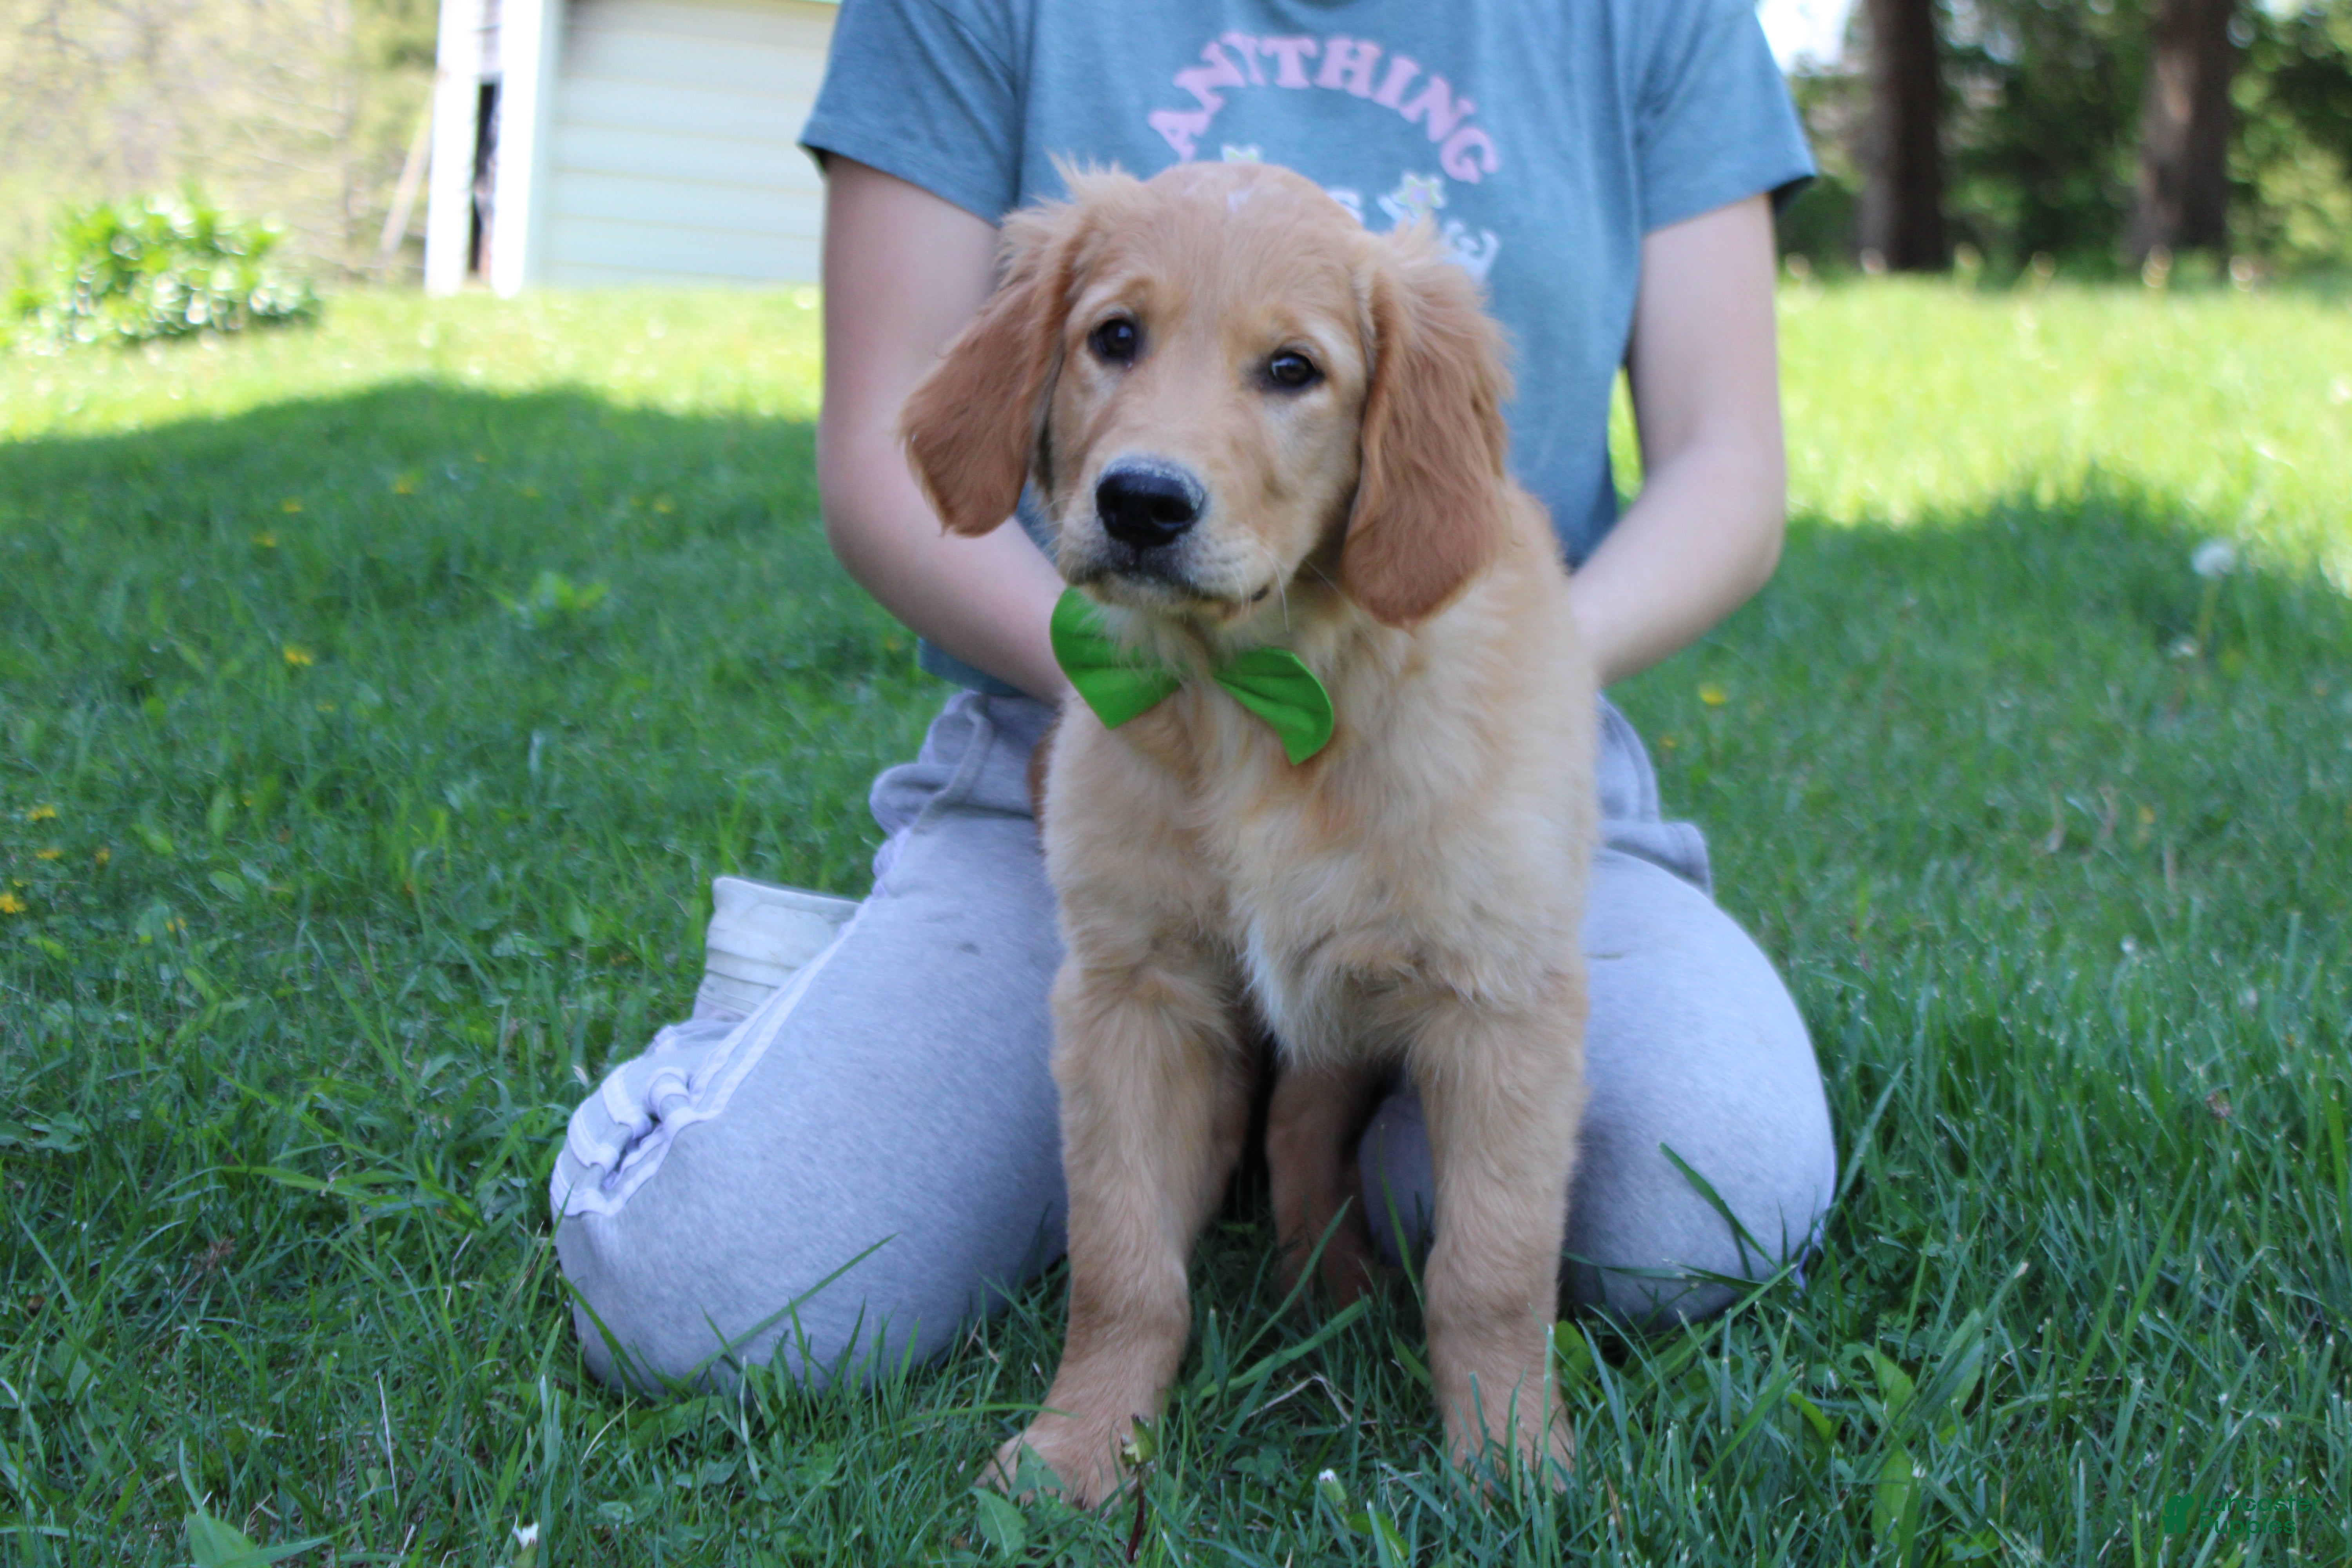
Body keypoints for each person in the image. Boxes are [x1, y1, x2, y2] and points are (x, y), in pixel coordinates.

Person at [551, 0, 1839, 1394]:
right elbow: (890, 440)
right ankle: (833, 1026)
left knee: (1697, 1201)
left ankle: (1299, 1122)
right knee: (701, 1287)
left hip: (1473, 733)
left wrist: (1528, 680)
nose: (1156, 460)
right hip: (1078, 717)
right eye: (1117, 339)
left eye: (1290, 372)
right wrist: (1116, 674)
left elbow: (1728, 467)